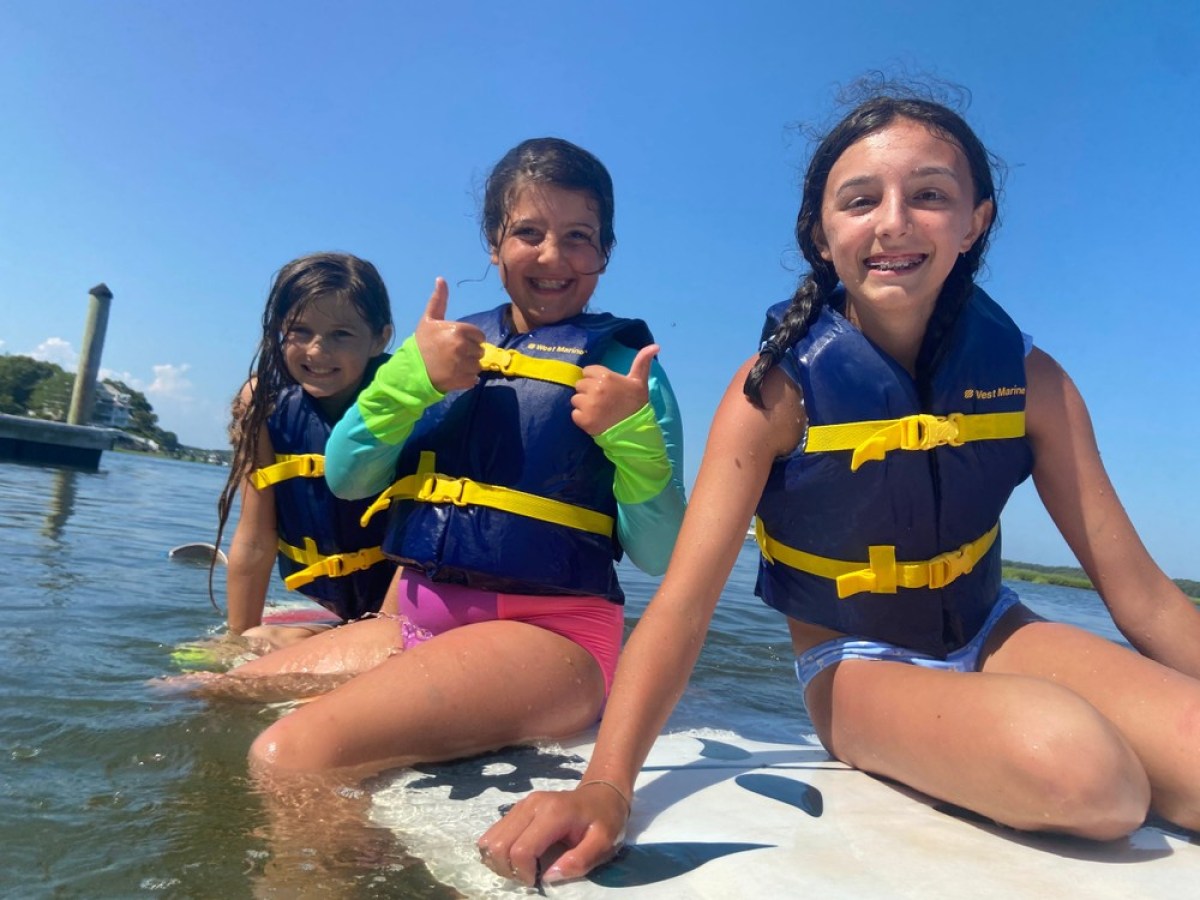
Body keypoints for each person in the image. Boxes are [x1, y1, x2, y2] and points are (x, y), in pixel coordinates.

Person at [478, 89, 1200, 887]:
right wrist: (607, 788)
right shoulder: (771, 397)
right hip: (856, 666)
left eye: (929, 195)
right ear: (821, 236)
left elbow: (1143, 597)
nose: (894, 222)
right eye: (861, 201)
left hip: (997, 628)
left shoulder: (1035, 382)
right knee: (1087, 775)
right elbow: (681, 607)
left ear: (975, 221)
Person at [238, 137, 686, 778]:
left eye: (579, 237)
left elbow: (659, 554)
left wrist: (632, 438)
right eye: (528, 232)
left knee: (287, 754)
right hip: (414, 625)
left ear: (605, 251)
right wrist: (409, 383)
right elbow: (347, 477)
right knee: (204, 693)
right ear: (493, 241)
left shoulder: (627, 372)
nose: (552, 256)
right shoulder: (435, 351)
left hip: (553, 641)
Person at [214, 252, 398, 653]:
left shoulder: (405, 404)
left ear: (380, 339)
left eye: (341, 334)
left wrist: (384, 635)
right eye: (300, 330)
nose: (317, 350)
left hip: (405, 612)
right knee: (255, 643)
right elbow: (255, 537)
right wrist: (236, 641)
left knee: (275, 649)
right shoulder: (262, 403)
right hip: (341, 613)